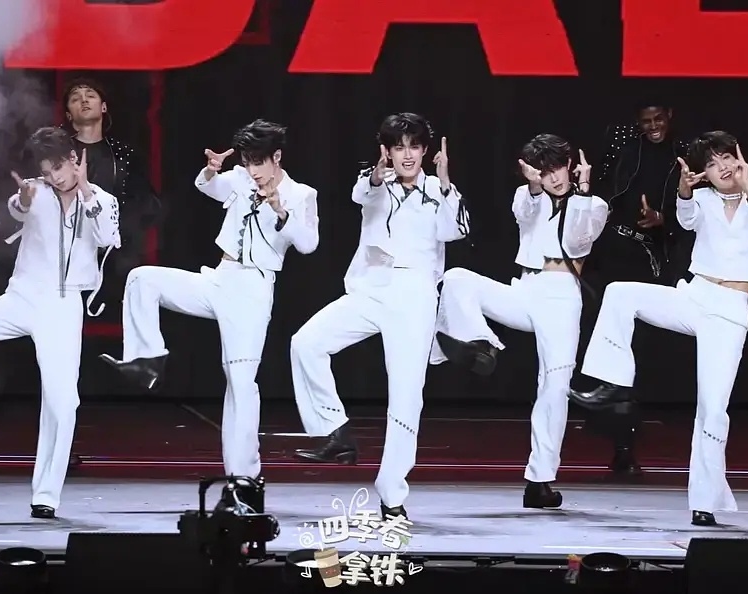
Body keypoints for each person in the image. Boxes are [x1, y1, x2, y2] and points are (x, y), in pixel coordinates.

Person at [569, 131, 748, 526]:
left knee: (712, 409)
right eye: (712, 164)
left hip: (729, 310)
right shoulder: (703, 199)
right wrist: (686, 191)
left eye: (727, 158)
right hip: (695, 295)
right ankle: (611, 383)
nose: (722, 168)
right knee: (619, 293)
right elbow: (686, 219)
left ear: (740, 159)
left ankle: (704, 502)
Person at [100, 120, 319, 495]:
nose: (252, 170)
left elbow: (308, 244)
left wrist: (281, 211)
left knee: (240, 385)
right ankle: (147, 359)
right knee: (142, 279)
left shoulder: (300, 194)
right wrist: (212, 170)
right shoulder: (240, 179)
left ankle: (244, 478)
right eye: (247, 162)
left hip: (253, 290)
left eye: (258, 162)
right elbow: (207, 187)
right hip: (219, 278)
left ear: (277, 157)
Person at [0, 127, 121, 519]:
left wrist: (85, 192)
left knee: (62, 402)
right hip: (21, 296)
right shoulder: (36, 191)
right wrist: (25, 200)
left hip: (63, 306)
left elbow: (108, 238)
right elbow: (18, 206)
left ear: (74, 159)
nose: (54, 177)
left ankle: (46, 495)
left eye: (58, 168)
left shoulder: (102, 199)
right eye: (47, 171)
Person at [289, 113, 469, 520]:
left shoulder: (439, 190)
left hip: (414, 295)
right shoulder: (374, 182)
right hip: (370, 288)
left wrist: (444, 183)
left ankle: (392, 495)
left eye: (414, 146)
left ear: (425, 150)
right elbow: (362, 194)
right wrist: (376, 174)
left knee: (405, 396)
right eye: (398, 147)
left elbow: (455, 230)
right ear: (386, 150)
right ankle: (335, 432)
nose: (407, 155)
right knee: (306, 343)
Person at [431, 134, 607, 509]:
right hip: (525, 289)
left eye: (557, 168)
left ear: (570, 166)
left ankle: (539, 482)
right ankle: (479, 344)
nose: (553, 177)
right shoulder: (526, 196)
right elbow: (526, 214)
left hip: (562, 296)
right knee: (458, 278)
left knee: (554, 388)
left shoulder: (593, 204)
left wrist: (583, 191)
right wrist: (533, 187)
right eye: (544, 171)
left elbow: (578, 242)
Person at [573, 102, 693, 477]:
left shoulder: (683, 155)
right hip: (609, 251)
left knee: (632, 349)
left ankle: (623, 445)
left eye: (659, 119)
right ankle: (599, 418)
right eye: (646, 121)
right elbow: (603, 190)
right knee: (597, 338)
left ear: (670, 116)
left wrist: (662, 219)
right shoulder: (624, 148)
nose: (653, 126)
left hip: (646, 257)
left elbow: (691, 213)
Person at [59, 78, 160, 316]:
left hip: (112, 257)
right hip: (66, 256)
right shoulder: (58, 154)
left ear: (103, 107)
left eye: (90, 95)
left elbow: (146, 205)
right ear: (69, 115)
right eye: (75, 98)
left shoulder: (125, 154)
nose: (83, 100)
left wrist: (119, 232)